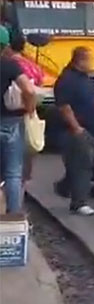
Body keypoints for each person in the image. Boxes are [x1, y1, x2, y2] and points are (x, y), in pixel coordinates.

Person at [53, 47, 94, 216]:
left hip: (88, 128)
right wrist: (76, 128)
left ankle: (64, 187)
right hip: (74, 131)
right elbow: (64, 107)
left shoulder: (83, 78)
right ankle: (80, 203)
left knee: (84, 163)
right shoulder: (67, 80)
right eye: (89, 60)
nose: (91, 63)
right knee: (82, 165)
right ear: (80, 61)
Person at [0, 26, 36, 215]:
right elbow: (29, 90)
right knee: (13, 172)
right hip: (9, 122)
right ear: (5, 45)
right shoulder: (9, 65)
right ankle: (13, 215)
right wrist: (29, 110)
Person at [6, 34, 43, 190]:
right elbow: (38, 86)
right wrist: (31, 109)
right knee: (25, 155)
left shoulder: (11, 64)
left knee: (10, 165)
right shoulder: (32, 66)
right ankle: (19, 198)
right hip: (27, 114)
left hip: (10, 114)